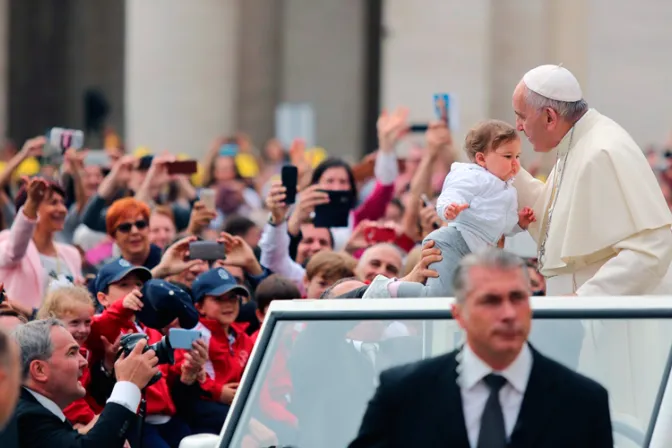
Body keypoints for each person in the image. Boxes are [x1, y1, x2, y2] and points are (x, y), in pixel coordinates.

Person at [349, 248, 613, 448]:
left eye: (518, 298)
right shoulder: (403, 393)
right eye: (491, 301)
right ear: (459, 313)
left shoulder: (583, 402)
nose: (508, 313)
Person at [511, 64, 672, 296]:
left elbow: (652, 246)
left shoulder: (604, 150)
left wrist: (586, 300)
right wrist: (507, 173)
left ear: (549, 117)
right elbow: (549, 219)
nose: (518, 127)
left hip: (610, 323)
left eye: (521, 116)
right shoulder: (576, 143)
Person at [423, 119, 535, 296]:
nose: (515, 163)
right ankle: (391, 290)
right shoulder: (473, 176)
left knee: (459, 298)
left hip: (473, 251)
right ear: (481, 158)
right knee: (438, 297)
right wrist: (448, 208)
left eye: (517, 156)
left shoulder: (507, 189)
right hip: (453, 242)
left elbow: (501, 225)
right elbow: (454, 192)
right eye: (508, 156)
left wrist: (519, 222)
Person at [10, 318, 159, 448]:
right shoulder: (26, 417)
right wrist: (128, 385)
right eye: (71, 353)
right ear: (39, 369)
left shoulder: (26, 408)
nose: (84, 362)